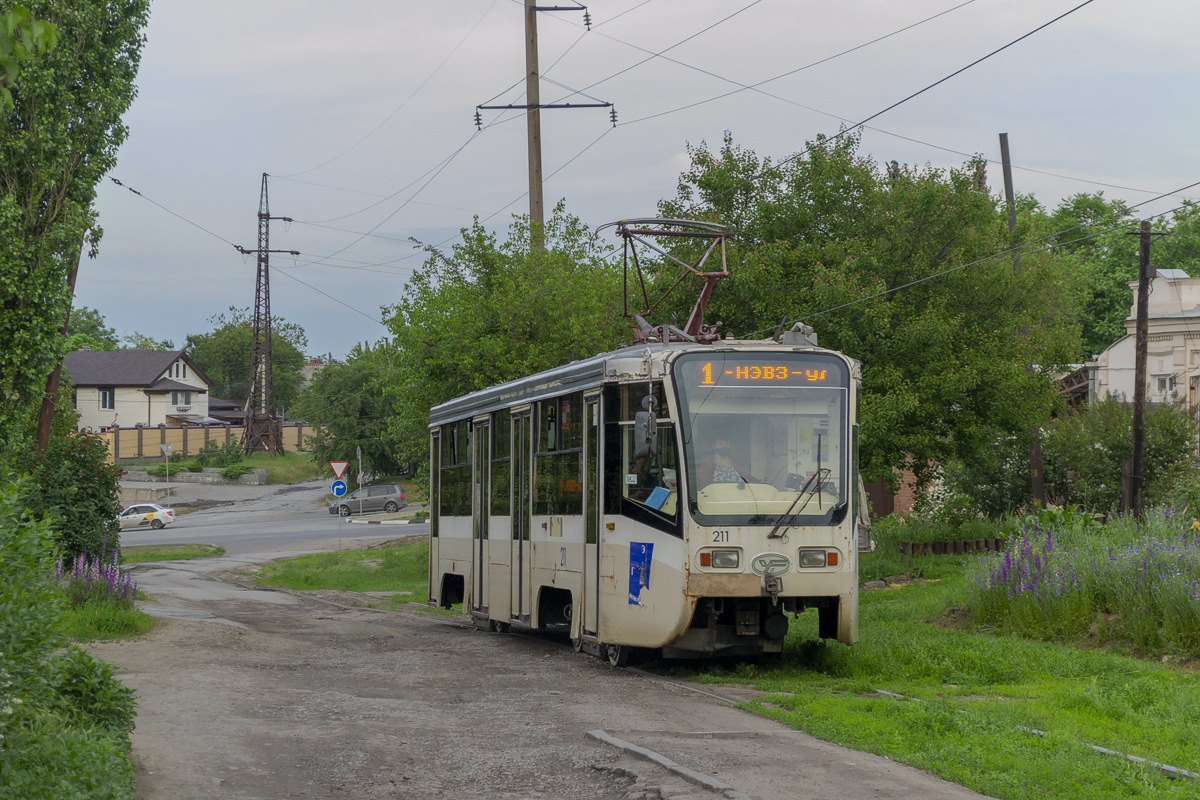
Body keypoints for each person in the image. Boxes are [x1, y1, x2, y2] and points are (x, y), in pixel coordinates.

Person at [695, 436, 760, 487]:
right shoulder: (707, 464)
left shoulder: (737, 463)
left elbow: (749, 479)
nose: (724, 446)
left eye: (726, 443)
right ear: (714, 446)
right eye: (720, 443)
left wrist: (763, 482)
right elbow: (705, 487)